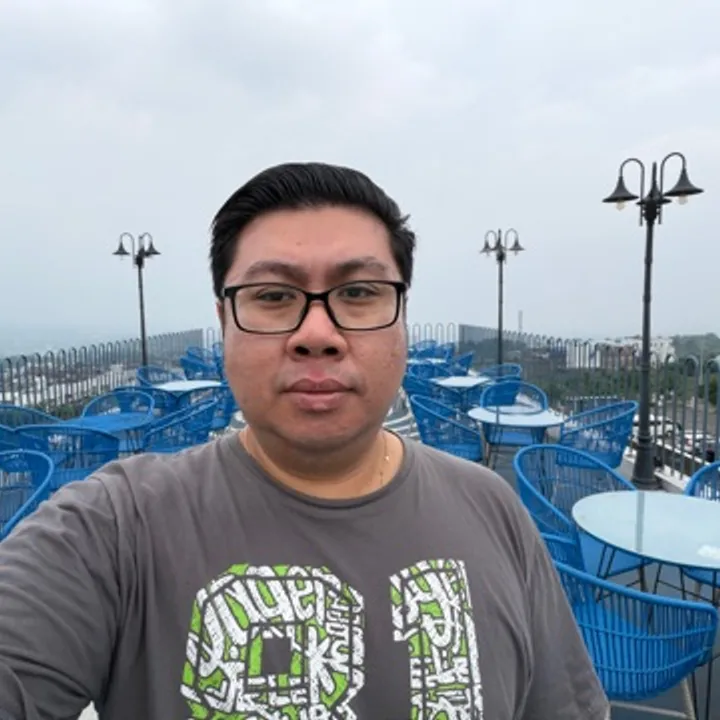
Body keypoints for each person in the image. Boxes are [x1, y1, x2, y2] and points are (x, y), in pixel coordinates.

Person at [0, 162, 609, 719]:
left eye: (359, 293)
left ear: (401, 316)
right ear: (224, 323)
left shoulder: (494, 511)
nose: (317, 332)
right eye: (273, 296)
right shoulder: (115, 527)